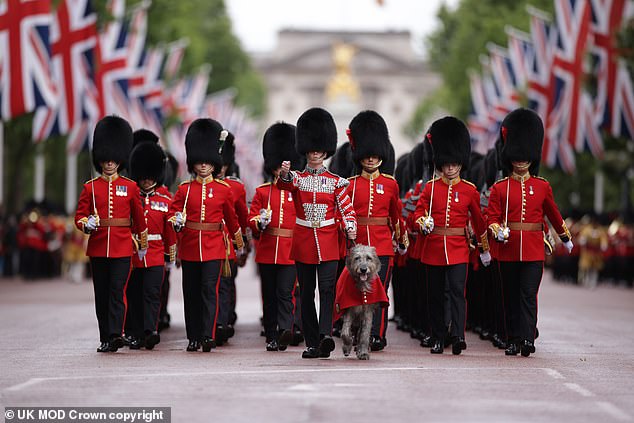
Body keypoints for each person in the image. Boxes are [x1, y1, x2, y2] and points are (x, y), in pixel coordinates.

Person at [486, 108, 573, 357]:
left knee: (528, 294)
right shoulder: (500, 188)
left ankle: (527, 337)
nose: (522, 160)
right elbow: (491, 217)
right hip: (508, 248)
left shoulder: (542, 186)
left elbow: (553, 214)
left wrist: (565, 237)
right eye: (517, 156)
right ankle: (512, 338)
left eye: (526, 156)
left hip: (534, 248)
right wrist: (496, 230)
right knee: (510, 297)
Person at [278, 107, 357, 359]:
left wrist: (351, 226)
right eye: (312, 150)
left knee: (327, 290)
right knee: (307, 292)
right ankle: (312, 342)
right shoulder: (298, 179)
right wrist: (284, 173)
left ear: (325, 151)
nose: (315, 154)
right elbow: (285, 183)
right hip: (304, 242)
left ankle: (324, 335)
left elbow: (346, 207)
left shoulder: (336, 181)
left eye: (319, 150)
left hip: (328, 241)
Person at [413, 116, 491, 355]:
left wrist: (484, 249)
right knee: (435, 296)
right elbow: (417, 213)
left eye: (454, 163)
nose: (450, 167)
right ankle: (438, 337)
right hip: (433, 248)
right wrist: (421, 223)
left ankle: (457, 335)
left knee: (458, 293)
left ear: (460, 163)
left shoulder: (469, 190)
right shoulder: (430, 188)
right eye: (446, 164)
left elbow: (478, 221)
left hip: (458, 248)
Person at [168, 118, 244, 352]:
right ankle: (193, 336)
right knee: (191, 294)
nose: (203, 166)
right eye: (199, 162)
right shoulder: (184, 189)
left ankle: (208, 335)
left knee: (209, 292)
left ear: (214, 163)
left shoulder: (223, 190)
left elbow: (231, 219)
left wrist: (239, 244)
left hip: (213, 248)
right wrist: (176, 221)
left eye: (207, 162)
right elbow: (172, 213)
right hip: (190, 248)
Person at [74, 115, 148, 352]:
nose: (109, 163)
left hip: (123, 246)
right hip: (98, 246)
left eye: (113, 159)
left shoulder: (131, 186)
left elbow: (138, 219)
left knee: (117, 291)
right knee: (102, 295)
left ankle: (117, 333)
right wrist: (87, 224)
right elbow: (79, 217)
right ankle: (105, 336)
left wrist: (143, 243)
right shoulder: (90, 187)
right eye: (105, 159)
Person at [345, 110, 408, 351]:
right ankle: (359, 331)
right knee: (357, 291)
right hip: (357, 246)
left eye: (374, 155)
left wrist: (401, 240)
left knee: (379, 291)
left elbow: (396, 216)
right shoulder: (350, 184)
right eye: (366, 155)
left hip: (382, 246)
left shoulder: (390, 184)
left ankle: (377, 334)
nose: (371, 159)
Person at [249, 122, 302, 351]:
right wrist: (259, 222)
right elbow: (251, 219)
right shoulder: (262, 192)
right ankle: (271, 335)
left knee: (285, 294)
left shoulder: (297, 190)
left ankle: (284, 330)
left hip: (290, 251)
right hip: (268, 249)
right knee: (269, 296)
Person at [125, 142, 176, 350]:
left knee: (152, 294)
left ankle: (150, 330)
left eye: (150, 176)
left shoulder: (165, 200)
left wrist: (170, 256)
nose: (146, 180)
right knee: (135, 294)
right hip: (135, 253)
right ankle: (135, 333)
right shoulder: (131, 197)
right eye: (143, 176)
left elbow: (169, 231)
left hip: (155, 254)